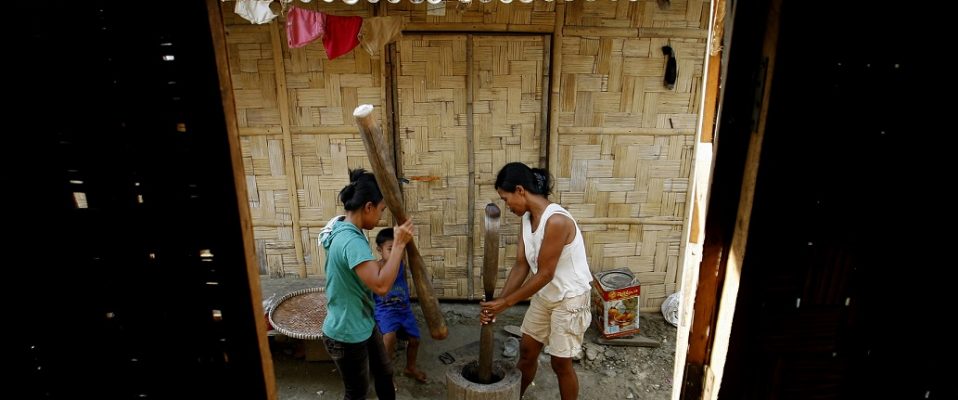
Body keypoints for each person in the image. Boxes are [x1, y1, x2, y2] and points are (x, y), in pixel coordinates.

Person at [479, 162, 593, 400]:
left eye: (505, 198)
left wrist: (507, 303)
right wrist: (498, 302)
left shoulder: (557, 221)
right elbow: (521, 264)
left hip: (570, 298)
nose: (506, 205)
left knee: (561, 364)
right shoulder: (527, 217)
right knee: (528, 352)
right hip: (546, 295)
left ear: (520, 190)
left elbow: (544, 273)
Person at [320, 168, 414, 400]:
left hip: (361, 322)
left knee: (384, 372)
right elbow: (381, 286)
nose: (381, 217)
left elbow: (370, 271)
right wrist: (399, 246)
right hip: (345, 333)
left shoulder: (344, 226)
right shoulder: (351, 241)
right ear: (368, 206)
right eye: (381, 210)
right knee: (357, 393)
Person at [372, 228, 427, 383]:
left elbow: (402, 283)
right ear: (379, 250)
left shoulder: (401, 265)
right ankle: (386, 376)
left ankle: (410, 367)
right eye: (391, 249)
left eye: (400, 249)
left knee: (415, 340)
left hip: (404, 309)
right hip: (385, 311)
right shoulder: (375, 268)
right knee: (389, 338)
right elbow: (371, 292)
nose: (397, 253)